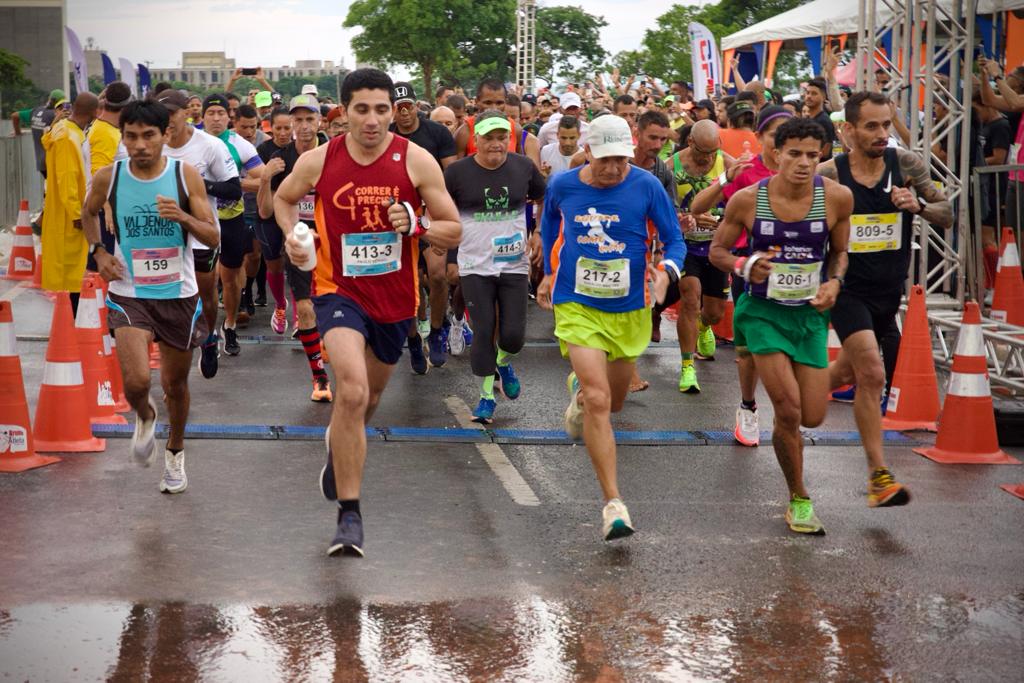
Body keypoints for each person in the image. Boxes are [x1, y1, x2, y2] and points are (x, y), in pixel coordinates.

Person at [273, 68, 461, 557]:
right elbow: (284, 198)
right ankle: (349, 516)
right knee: (351, 390)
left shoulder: (416, 161)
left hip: (395, 300)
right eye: (363, 109)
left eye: (382, 109)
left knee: (368, 400)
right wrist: (296, 238)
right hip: (338, 291)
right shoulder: (319, 160)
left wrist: (416, 222)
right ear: (344, 112)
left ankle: (340, 449)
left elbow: (453, 229)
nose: (374, 120)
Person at [537, 114, 685, 542]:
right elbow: (549, 223)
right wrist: (548, 270)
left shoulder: (647, 186)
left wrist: (667, 272)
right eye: (605, 160)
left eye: (621, 160)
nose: (614, 169)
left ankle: (581, 398)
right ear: (587, 152)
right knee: (602, 401)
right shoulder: (564, 185)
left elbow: (675, 240)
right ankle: (613, 504)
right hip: (577, 304)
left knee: (613, 401)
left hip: (629, 309)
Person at [710, 118, 852, 535]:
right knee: (788, 411)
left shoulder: (837, 199)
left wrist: (834, 282)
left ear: (823, 154)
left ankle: (844, 370)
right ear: (776, 155)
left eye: (813, 154)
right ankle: (799, 498)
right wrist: (744, 264)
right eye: (795, 154)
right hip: (763, 314)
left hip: (808, 316)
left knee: (813, 415)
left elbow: (841, 253)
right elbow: (719, 250)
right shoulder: (749, 200)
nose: (804, 163)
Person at [818, 91, 952, 508]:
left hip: (887, 291)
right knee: (873, 374)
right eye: (872, 126)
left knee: (843, 374)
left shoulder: (905, 165)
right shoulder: (830, 174)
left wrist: (919, 207)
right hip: (847, 287)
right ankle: (880, 477)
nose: (882, 134)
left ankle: (794, 399)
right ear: (849, 130)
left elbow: (946, 212)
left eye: (886, 125)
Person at [83, 99, 219, 493]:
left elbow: (212, 236)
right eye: (131, 136)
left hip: (178, 294)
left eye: (148, 136)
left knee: (175, 386)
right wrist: (100, 252)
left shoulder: (185, 175)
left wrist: (185, 218)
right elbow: (88, 213)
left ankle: (175, 454)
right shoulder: (111, 177)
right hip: (130, 292)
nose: (140, 144)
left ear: (166, 136)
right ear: (122, 138)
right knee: (138, 381)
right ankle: (144, 416)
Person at [691, 105, 793, 446]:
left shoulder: (810, 174)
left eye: (787, 134)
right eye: (774, 134)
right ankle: (749, 405)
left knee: (789, 347)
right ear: (760, 137)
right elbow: (697, 208)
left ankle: (786, 411)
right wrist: (726, 177)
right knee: (749, 348)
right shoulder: (747, 171)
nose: (781, 142)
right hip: (749, 269)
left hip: (796, 272)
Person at [445, 110, 545, 422]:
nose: (496, 144)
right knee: (485, 329)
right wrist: (450, 258)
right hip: (474, 264)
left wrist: (539, 232)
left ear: (510, 139)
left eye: (502, 137)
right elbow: (445, 216)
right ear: (476, 140)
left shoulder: (524, 167)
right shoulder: (457, 173)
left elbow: (546, 199)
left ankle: (503, 361)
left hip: (513, 263)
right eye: (489, 138)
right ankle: (486, 398)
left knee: (513, 336)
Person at [158, 89, 241, 380]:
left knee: (205, 296)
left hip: (201, 235)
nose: (168, 120)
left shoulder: (210, 146)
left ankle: (208, 339)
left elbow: (233, 190)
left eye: (172, 113)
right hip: (162, 236)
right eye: (162, 113)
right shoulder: (150, 144)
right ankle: (172, 348)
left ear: (186, 113)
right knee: (166, 296)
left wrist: (195, 185)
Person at [256, 95, 334, 402]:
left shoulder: (333, 154)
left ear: (319, 122)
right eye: (297, 120)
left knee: (335, 307)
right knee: (304, 308)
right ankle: (319, 378)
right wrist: (265, 179)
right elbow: (264, 213)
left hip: (332, 241)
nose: (302, 126)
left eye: (308, 119)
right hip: (298, 241)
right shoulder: (280, 158)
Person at [656, 119, 741, 393]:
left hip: (717, 246)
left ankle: (705, 326)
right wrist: (688, 216)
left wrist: (721, 220)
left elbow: (743, 204)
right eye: (703, 153)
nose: (708, 159)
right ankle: (687, 366)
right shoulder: (670, 166)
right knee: (690, 298)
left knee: (714, 313)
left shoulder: (728, 164)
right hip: (685, 246)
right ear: (690, 143)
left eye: (712, 152)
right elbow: (661, 209)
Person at [389, 82, 458, 369]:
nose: (405, 113)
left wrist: (442, 213)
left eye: (409, 107)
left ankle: (439, 332)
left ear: (417, 106)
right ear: (393, 111)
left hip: (432, 213)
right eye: (398, 108)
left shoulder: (437, 133)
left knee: (439, 276)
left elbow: (450, 177)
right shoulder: (386, 135)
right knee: (409, 283)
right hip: (399, 216)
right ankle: (414, 338)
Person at [201, 93, 266, 356]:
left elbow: (262, 178)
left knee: (229, 280)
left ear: (229, 117)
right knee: (202, 281)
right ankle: (205, 331)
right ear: (202, 116)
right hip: (200, 221)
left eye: (221, 113)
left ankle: (229, 325)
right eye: (211, 113)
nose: (216, 118)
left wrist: (232, 184)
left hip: (231, 219)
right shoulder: (190, 141)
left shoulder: (240, 145)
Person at [40, 92, 98, 313]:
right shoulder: (68, 137)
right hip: (68, 215)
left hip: (69, 210)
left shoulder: (66, 129)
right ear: (93, 113)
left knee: (73, 270)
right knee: (71, 272)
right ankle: (71, 321)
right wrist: (77, 214)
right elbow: (67, 180)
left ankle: (71, 317)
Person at [234, 103, 269, 317]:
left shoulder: (264, 143)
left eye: (252, 127)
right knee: (236, 256)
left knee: (255, 256)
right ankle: (238, 295)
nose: (248, 132)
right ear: (234, 123)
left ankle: (247, 290)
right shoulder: (225, 142)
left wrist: (237, 183)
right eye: (244, 127)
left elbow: (267, 182)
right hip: (231, 209)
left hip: (255, 207)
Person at [804, 78, 837, 161]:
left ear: (823, 97)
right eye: (807, 93)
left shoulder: (824, 121)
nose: (809, 96)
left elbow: (826, 151)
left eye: (814, 93)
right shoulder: (807, 119)